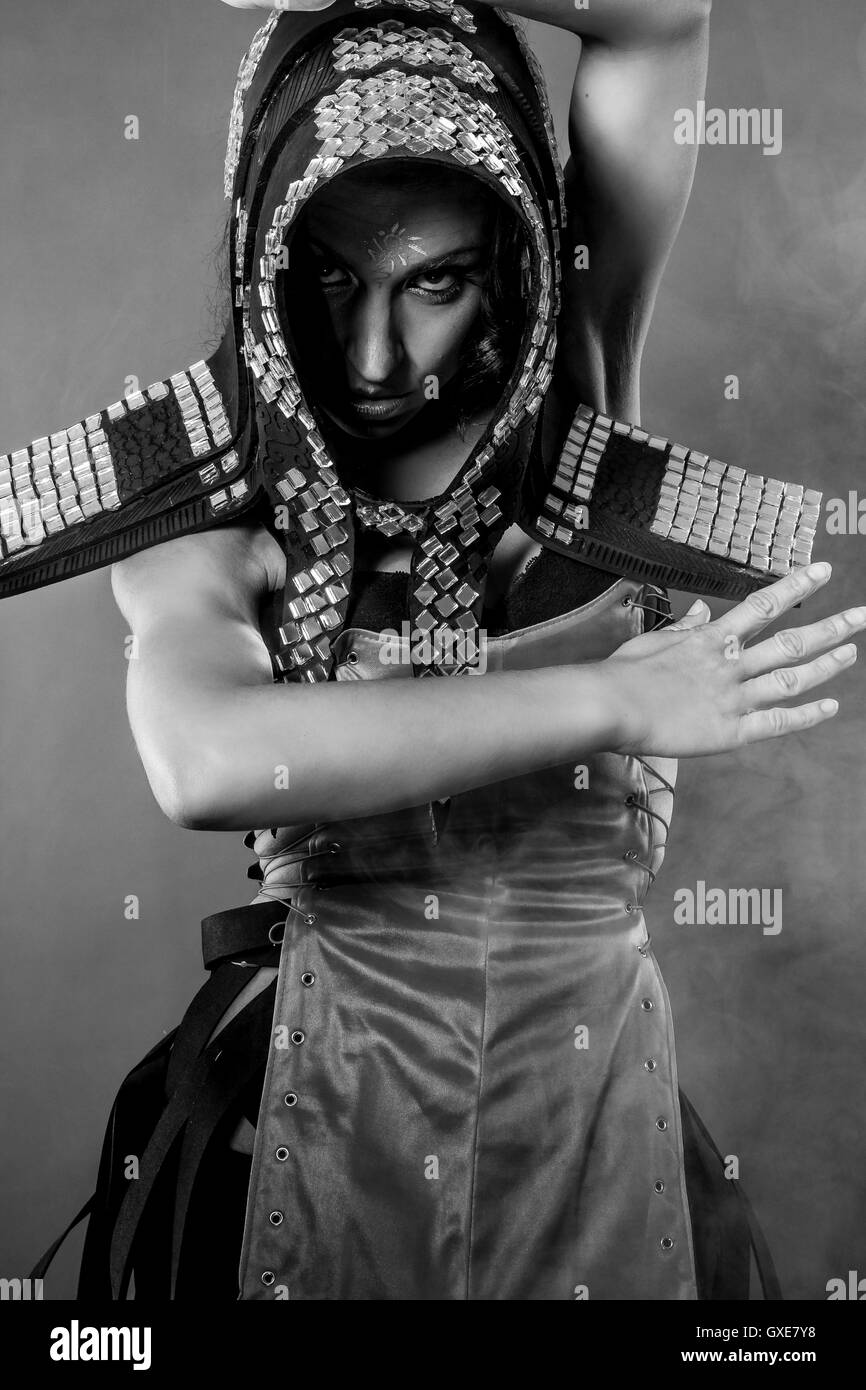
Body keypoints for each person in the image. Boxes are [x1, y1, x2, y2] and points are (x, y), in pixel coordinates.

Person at [6, 0, 862, 1301]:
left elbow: (660, 19)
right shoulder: (213, 519)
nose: (368, 351)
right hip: (310, 1132)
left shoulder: (582, 407)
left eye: (434, 284)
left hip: (591, 1135)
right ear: (264, 255)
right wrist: (610, 702)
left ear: (517, 265)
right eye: (331, 279)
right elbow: (206, 760)